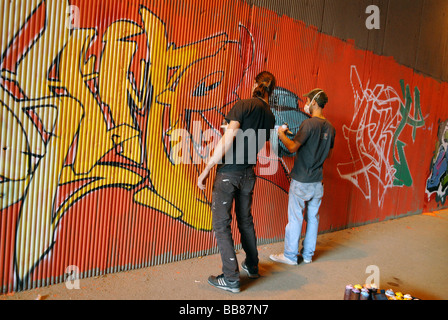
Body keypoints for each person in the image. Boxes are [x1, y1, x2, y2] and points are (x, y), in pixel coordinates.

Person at [197, 71, 276, 293]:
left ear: (254, 84)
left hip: (229, 174)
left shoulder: (244, 105)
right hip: (248, 174)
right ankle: (251, 265)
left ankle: (231, 278)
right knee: (245, 220)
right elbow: (255, 141)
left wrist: (206, 170)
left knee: (222, 225)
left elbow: (227, 140)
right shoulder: (270, 116)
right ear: (271, 91)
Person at [270, 88, 335, 266]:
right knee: (313, 219)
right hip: (317, 182)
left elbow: (291, 148)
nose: (305, 104)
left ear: (314, 102)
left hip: (301, 181)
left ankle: (290, 256)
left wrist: (281, 134)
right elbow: (327, 155)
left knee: (296, 218)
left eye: (307, 101)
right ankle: (307, 255)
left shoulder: (308, 124)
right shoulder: (330, 127)